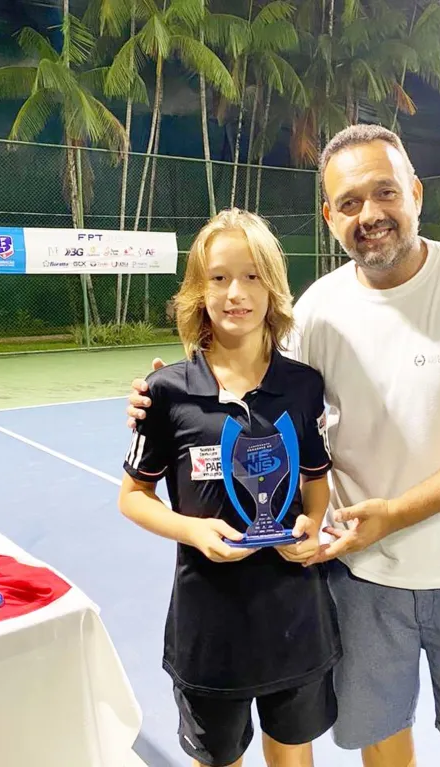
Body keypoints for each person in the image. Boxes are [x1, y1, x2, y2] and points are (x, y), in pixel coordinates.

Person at [127, 125, 440, 767]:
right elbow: (255, 387)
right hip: (358, 576)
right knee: (380, 743)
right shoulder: (318, 311)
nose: (370, 214)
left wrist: (395, 513)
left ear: (415, 192)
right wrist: (162, 391)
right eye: (349, 203)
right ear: (329, 216)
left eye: (385, 192)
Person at [119, 208, 341, 767]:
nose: (235, 292)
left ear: (273, 287)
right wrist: (193, 529)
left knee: (292, 753)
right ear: (198, 290)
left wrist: (311, 528)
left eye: (251, 276)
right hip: (209, 628)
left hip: (295, 617)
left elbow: (316, 480)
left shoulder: (303, 385)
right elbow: (132, 497)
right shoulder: (166, 392)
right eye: (218, 278)